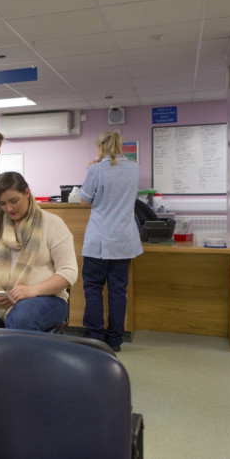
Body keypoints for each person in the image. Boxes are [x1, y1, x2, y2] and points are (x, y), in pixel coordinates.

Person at [0, 172, 78, 332]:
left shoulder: (53, 224)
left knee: (20, 320)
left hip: (46, 296)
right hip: (0, 294)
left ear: (27, 193)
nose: (9, 208)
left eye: (14, 201)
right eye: (3, 203)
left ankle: (14, 357)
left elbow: (68, 273)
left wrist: (33, 290)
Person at [79, 131, 142, 352]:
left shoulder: (96, 169)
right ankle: (114, 340)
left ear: (102, 147)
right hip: (124, 240)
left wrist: (89, 170)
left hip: (100, 240)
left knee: (94, 288)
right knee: (118, 290)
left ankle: (96, 336)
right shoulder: (135, 168)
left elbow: (85, 201)